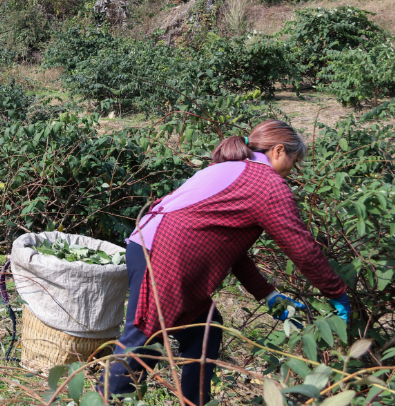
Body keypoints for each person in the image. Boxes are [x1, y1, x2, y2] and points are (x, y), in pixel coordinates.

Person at [103, 120, 349, 405]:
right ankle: (107, 400)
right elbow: (302, 248)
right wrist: (336, 292)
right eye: (295, 161)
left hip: (147, 246)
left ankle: (196, 401)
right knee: (144, 337)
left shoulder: (228, 169)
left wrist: (267, 294)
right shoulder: (267, 183)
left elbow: (228, 249)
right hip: (166, 256)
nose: (293, 170)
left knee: (205, 327)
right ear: (279, 151)